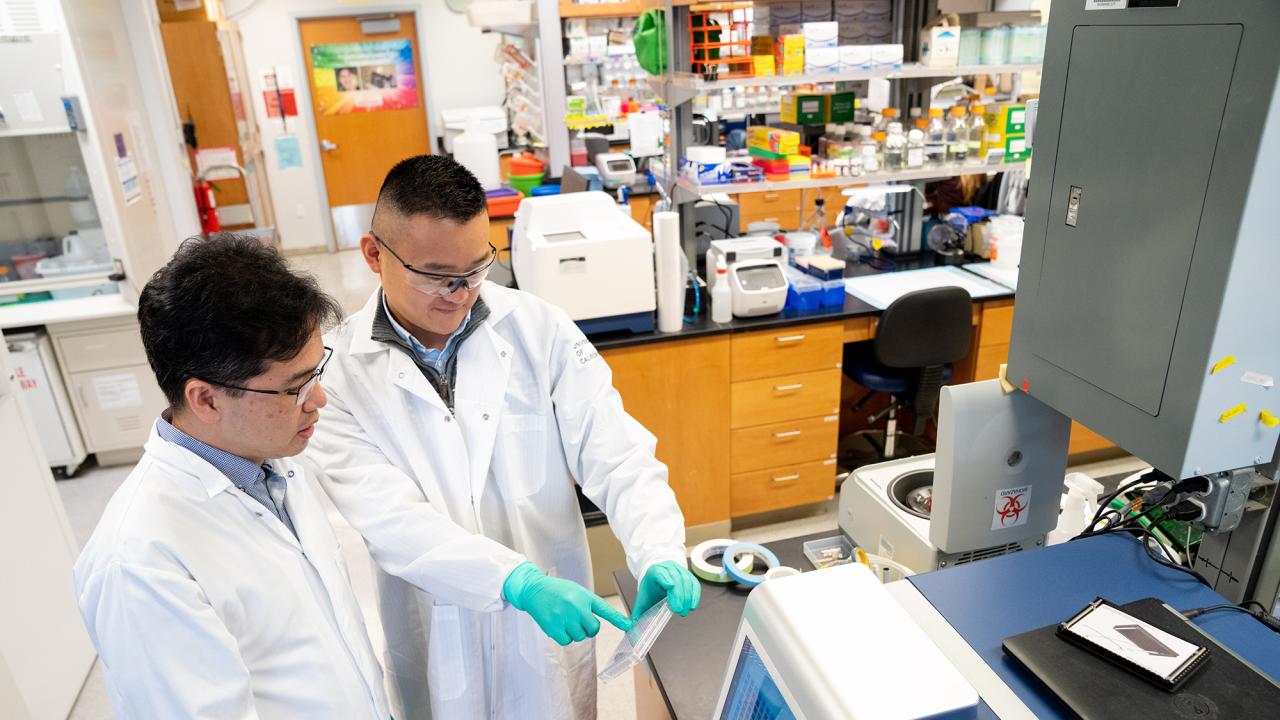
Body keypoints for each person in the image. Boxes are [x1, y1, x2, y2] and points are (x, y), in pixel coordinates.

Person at [304, 155, 701, 719]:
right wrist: (515, 582)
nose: (460, 293)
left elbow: (616, 453)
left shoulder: (540, 330)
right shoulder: (337, 374)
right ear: (374, 255)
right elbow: (389, 519)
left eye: (476, 268)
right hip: (438, 630)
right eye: (436, 275)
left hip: (550, 636)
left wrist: (658, 548)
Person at [73, 234, 390, 719]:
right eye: (293, 388)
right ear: (206, 399)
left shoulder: (270, 460)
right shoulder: (140, 562)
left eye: (316, 372)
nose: (318, 400)